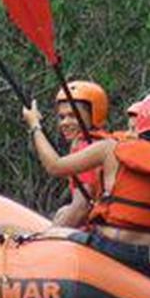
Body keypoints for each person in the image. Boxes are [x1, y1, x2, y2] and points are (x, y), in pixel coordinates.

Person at [22, 91, 150, 286]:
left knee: (53, 234)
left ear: (142, 119)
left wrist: (34, 125)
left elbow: (54, 166)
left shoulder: (110, 150)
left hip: (112, 250)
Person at [51, 80, 110, 227]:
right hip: (101, 232)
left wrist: (47, 237)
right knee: (62, 211)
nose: (65, 123)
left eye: (73, 116)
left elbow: (81, 208)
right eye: (62, 117)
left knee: (0, 229)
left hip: (94, 236)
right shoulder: (104, 142)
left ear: (94, 115)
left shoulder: (87, 148)